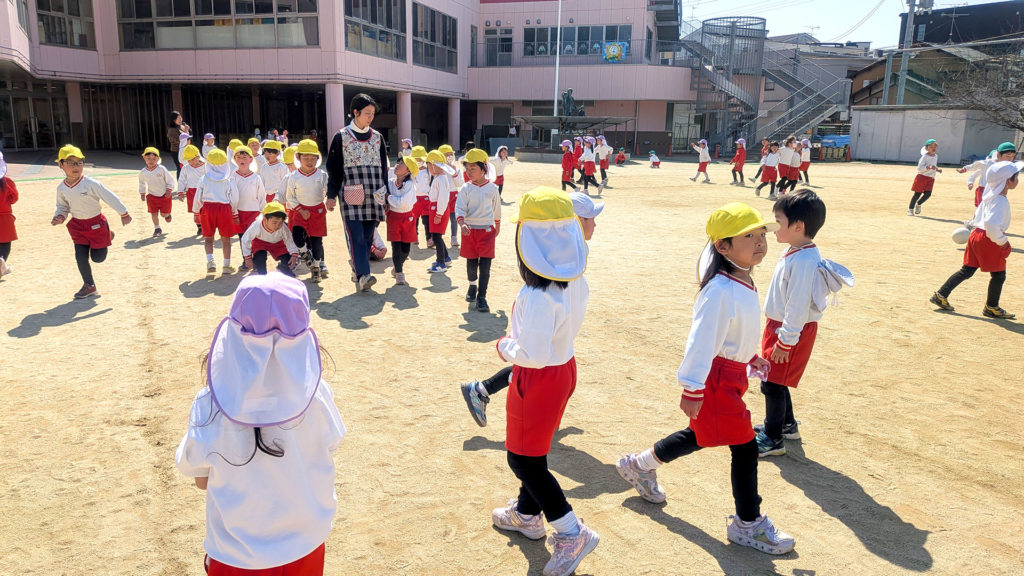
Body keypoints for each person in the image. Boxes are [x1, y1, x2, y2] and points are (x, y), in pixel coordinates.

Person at [615, 202, 796, 556]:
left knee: (702, 435)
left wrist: (749, 357)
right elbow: (701, 341)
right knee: (744, 445)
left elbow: (731, 332)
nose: (760, 242)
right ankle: (748, 522)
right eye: (748, 237)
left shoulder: (742, 277)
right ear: (722, 246)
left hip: (727, 376)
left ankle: (640, 465)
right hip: (713, 380)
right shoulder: (720, 290)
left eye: (761, 235)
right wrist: (692, 386)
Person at [174, 274, 346, 576]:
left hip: (238, 553)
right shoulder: (317, 395)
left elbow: (201, 479)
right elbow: (331, 443)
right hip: (305, 544)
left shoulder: (210, 404)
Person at [490, 187, 598, 576]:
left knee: (522, 458)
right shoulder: (576, 280)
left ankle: (571, 532)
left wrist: (504, 346)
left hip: (537, 378)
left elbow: (531, 354)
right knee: (534, 451)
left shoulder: (537, 294)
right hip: (563, 369)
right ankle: (526, 513)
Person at [459, 190, 602, 427]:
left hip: (558, 336)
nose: (595, 224)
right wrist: (503, 345)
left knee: (540, 360)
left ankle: (482, 388)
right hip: (546, 325)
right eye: (590, 219)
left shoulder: (574, 252)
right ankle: (482, 389)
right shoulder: (560, 260)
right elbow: (532, 354)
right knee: (536, 362)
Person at [755, 190, 828, 457]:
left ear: (798, 226)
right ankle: (786, 425)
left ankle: (773, 438)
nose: (774, 228)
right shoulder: (796, 250)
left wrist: (785, 341)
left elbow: (797, 306)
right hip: (781, 326)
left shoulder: (805, 261)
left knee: (772, 383)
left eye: (779, 222)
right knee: (777, 379)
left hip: (789, 330)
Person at [931, 160, 1023, 319]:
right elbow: (991, 224)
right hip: (989, 238)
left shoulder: (989, 193)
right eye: (1017, 176)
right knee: (999, 275)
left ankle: (941, 294)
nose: (1018, 179)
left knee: (967, 270)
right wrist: (1003, 242)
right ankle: (992, 307)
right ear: (1008, 181)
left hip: (976, 235)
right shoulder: (1000, 200)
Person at [325, 93, 390, 292]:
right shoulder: (341, 136)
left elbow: (383, 168)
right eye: (367, 113)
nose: (371, 117)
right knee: (357, 237)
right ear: (355, 112)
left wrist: (386, 194)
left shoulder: (378, 137)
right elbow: (334, 169)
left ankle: (357, 270)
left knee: (368, 237)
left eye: (372, 114)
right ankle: (364, 275)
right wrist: (331, 195)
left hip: (374, 194)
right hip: (350, 195)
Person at [51, 145, 133, 299]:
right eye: (70, 163)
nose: (76, 166)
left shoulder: (91, 184)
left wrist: (124, 213)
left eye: (79, 162)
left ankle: (107, 235)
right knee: (80, 256)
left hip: (96, 224)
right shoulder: (61, 188)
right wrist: (60, 216)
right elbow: (62, 206)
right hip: (77, 226)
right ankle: (89, 285)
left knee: (98, 258)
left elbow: (109, 197)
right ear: (60, 165)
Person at [456, 149, 502, 312]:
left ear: (484, 169)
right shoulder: (466, 188)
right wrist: (462, 224)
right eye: (467, 168)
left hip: (487, 231)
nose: (469, 172)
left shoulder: (492, 189)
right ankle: (472, 285)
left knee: (485, 266)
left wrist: (497, 226)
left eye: (473, 168)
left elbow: (497, 209)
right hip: (469, 231)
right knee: (471, 264)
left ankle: (482, 297)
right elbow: (459, 207)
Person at [282, 139, 329, 284]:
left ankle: (316, 267)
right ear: (298, 157)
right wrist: (301, 210)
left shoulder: (322, 175)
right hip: (299, 210)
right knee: (297, 235)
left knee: (316, 241)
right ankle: (304, 253)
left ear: (318, 158)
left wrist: (330, 199)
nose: (310, 161)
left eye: (313, 158)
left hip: (317, 211)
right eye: (306, 157)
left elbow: (327, 191)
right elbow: (290, 197)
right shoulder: (293, 176)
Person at [193, 148, 240, 275]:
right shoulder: (229, 179)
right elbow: (234, 198)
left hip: (208, 209)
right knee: (226, 239)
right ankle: (226, 265)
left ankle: (211, 262)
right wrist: (234, 212)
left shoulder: (203, 179)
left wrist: (196, 212)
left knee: (208, 238)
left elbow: (198, 197)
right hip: (224, 209)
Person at [384, 156, 419, 286]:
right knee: (396, 247)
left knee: (406, 249)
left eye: (401, 164)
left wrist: (388, 197)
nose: (397, 165)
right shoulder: (390, 182)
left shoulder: (409, 185)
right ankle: (399, 273)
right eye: (398, 162)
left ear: (408, 170)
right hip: (393, 217)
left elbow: (402, 203)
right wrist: (387, 199)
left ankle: (397, 266)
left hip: (407, 218)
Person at [240, 201, 299, 277]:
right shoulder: (257, 225)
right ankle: (262, 277)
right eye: (274, 222)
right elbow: (245, 239)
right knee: (260, 258)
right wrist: (247, 258)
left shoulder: (283, 228)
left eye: (280, 223)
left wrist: (294, 255)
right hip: (260, 242)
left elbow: (289, 240)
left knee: (287, 259)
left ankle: (284, 270)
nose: (277, 226)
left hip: (277, 243)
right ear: (265, 219)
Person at [232, 147, 267, 272]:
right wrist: (234, 213)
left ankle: (257, 260)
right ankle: (246, 260)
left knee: (255, 238)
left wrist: (262, 213)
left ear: (251, 159)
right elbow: (231, 196)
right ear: (234, 159)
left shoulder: (256, 178)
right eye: (238, 157)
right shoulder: (232, 177)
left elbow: (262, 196)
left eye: (244, 157)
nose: (242, 160)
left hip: (254, 213)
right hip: (239, 213)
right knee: (243, 238)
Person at [957, 142, 1016, 208]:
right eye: (1008, 156)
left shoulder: (1007, 166)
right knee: (981, 208)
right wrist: (965, 170)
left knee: (992, 208)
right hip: (983, 189)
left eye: (1013, 156)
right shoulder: (989, 163)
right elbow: (976, 167)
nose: (1010, 159)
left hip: (997, 191)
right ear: (998, 155)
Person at [425, 150, 455, 273]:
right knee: (436, 235)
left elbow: (443, 198)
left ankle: (440, 263)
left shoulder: (441, 179)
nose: (429, 169)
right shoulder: (438, 177)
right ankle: (445, 258)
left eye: (429, 166)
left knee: (437, 236)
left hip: (439, 209)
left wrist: (439, 214)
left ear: (434, 165)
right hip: (436, 208)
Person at [139, 146, 176, 237]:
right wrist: (142, 193)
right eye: (148, 158)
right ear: (144, 157)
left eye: (154, 158)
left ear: (158, 158)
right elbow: (142, 183)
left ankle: (167, 215)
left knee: (164, 214)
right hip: (152, 196)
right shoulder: (143, 172)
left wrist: (169, 189)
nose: (151, 161)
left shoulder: (161, 169)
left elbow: (170, 180)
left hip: (165, 195)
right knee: (153, 213)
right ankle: (157, 228)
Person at [177, 144, 206, 236]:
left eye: (193, 159)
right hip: (192, 191)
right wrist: (180, 192)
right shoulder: (186, 168)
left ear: (198, 157)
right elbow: (182, 180)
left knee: (205, 209)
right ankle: (199, 227)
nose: (190, 162)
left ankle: (206, 226)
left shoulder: (206, 166)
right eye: (188, 160)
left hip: (205, 191)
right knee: (196, 210)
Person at [909, 139, 942, 216]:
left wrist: (937, 169)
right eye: (931, 146)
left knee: (928, 194)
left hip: (931, 178)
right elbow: (919, 168)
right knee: (917, 194)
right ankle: (910, 209)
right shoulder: (924, 157)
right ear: (926, 148)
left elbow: (934, 166)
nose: (933, 148)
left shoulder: (936, 156)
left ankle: (919, 204)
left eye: (935, 146)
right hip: (921, 177)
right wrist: (928, 167)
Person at [0, 151, 18, 278]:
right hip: (5, 217)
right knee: (5, 244)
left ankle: (2, 266)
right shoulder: (7, 182)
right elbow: (14, 198)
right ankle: (2, 261)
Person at [259, 140, 289, 204]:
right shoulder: (264, 167)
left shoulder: (282, 166)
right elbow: (262, 182)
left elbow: (285, 183)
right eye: (266, 153)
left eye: (270, 154)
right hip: (267, 196)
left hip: (278, 196)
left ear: (277, 153)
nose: (267, 156)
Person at [167, 111, 190, 179]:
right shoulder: (172, 130)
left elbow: (188, 137)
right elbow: (180, 142)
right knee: (180, 167)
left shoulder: (182, 126)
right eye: (178, 118)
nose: (180, 119)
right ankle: (180, 183)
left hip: (185, 150)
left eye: (180, 117)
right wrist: (186, 131)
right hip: (177, 151)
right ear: (173, 120)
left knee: (186, 167)